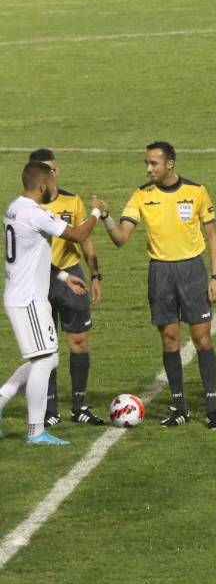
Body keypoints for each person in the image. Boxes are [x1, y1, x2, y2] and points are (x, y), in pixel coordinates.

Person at [101, 141, 216, 429]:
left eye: (153, 163)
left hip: (192, 270)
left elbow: (213, 236)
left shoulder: (196, 192)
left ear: (170, 164)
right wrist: (106, 217)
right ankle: (179, 407)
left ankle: (212, 407)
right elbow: (120, 239)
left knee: (202, 339)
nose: (148, 168)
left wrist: (215, 276)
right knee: (169, 340)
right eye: (146, 163)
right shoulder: (141, 196)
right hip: (160, 273)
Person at [0, 162, 98, 445]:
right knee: (44, 360)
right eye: (51, 184)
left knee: (48, 358)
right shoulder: (34, 213)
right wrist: (96, 212)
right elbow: (79, 235)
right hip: (28, 298)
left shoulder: (15, 208)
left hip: (28, 295)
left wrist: (65, 276)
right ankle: (35, 430)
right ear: (43, 185)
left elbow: (34, 255)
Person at [28, 149, 106, 426]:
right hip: (39, 282)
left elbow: (85, 240)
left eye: (52, 169)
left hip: (71, 278)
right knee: (45, 349)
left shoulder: (73, 201)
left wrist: (95, 274)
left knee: (79, 342)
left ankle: (79, 406)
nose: (49, 175)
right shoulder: (29, 207)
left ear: (56, 171)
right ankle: (50, 411)